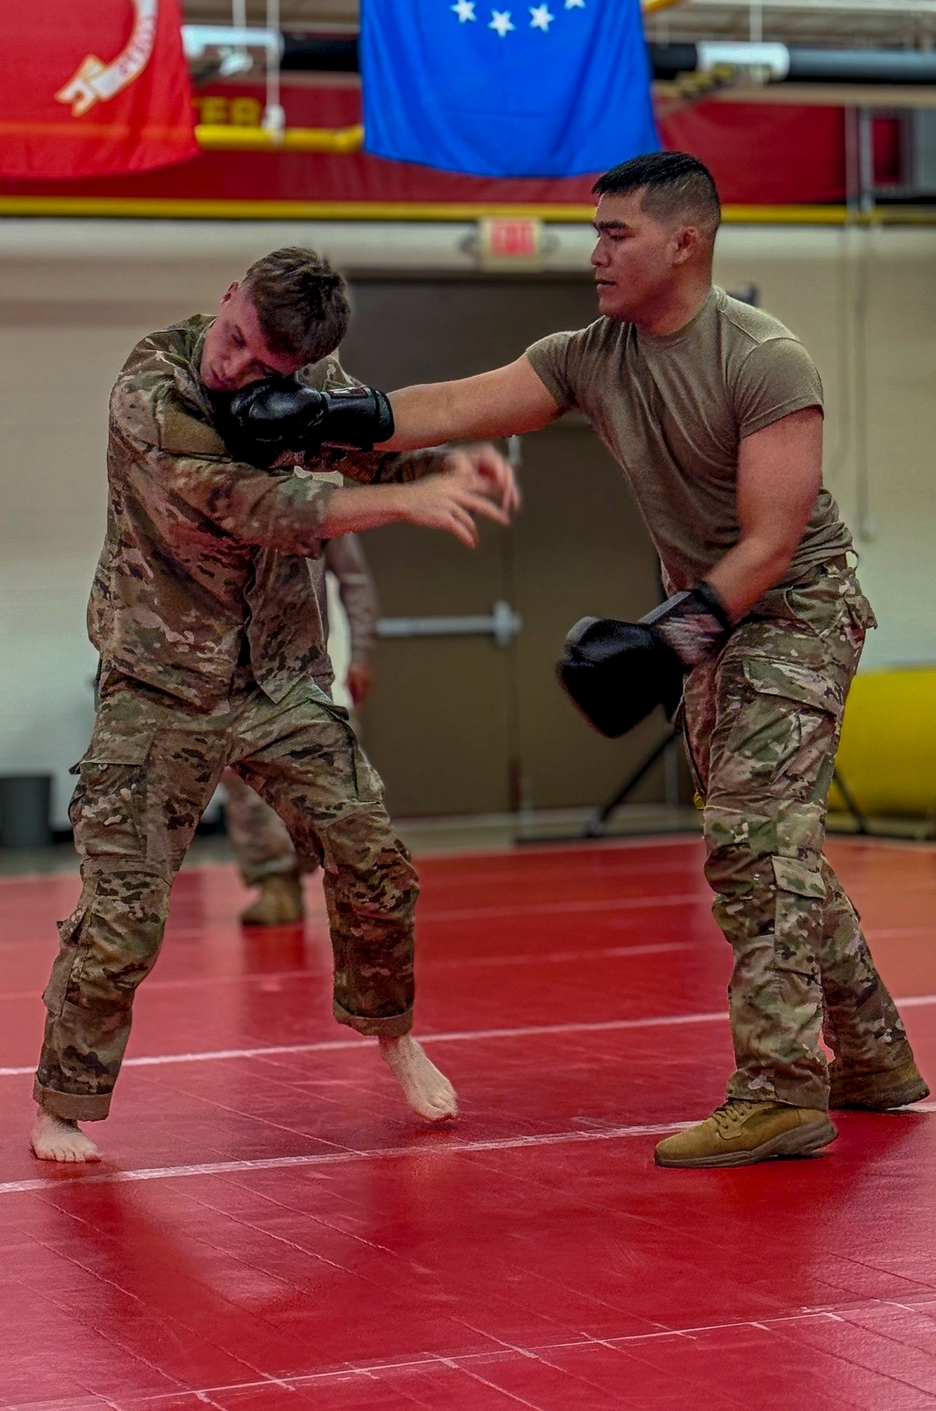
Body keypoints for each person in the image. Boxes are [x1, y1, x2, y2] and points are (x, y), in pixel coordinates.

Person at [380, 151, 926, 1169]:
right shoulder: (591, 354)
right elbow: (451, 407)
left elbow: (772, 542)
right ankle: (875, 1058)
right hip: (709, 616)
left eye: (614, 234)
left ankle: (779, 1091)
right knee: (774, 845)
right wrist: (341, 417)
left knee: (752, 838)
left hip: (793, 607)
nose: (593, 253)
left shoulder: (763, 357)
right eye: (594, 232)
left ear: (684, 242)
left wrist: (666, 641)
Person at [30, 246, 514, 1163]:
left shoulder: (312, 385)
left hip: (282, 678)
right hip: (160, 686)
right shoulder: (152, 388)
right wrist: (407, 506)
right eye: (236, 337)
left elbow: (367, 451)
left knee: (374, 859)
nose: (236, 365)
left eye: (266, 365)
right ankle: (61, 1102)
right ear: (228, 296)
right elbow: (252, 505)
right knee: (125, 911)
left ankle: (392, 1032)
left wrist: (448, 467)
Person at [224, 532, 380, 926]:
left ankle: (360, 881)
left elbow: (355, 581)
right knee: (245, 781)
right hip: (238, 670)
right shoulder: (222, 501)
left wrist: (361, 654)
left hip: (310, 668)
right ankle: (275, 881)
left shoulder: (320, 503)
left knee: (333, 779)